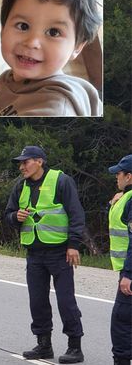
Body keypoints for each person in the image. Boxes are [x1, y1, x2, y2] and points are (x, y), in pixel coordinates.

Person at [4, 146, 84, 363]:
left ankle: (75, 346)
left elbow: (76, 214)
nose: (21, 167)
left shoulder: (61, 181)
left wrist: (73, 244)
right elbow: (8, 214)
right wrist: (15, 218)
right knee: (37, 301)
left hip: (60, 253)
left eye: (25, 162)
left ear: (39, 161)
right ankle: (43, 345)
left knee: (66, 302)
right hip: (34, 254)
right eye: (20, 163)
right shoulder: (20, 186)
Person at [107, 154, 132, 365]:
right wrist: (113, 204)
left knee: (121, 321)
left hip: (130, 272)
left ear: (129, 176)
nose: (116, 177)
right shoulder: (125, 198)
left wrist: (129, 274)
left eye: (119, 174)